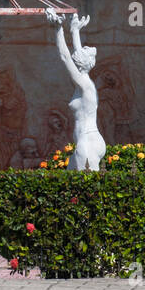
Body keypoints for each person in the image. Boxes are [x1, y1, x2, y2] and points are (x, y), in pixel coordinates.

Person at [44, 9, 105, 172]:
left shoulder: (84, 84)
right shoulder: (85, 81)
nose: (77, 52)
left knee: (85, 191)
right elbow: (77, 55)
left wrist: (58, 29)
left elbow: (65, 57)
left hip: (88, 141)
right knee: (70, 186)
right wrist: (74, 31)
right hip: (88, 139)